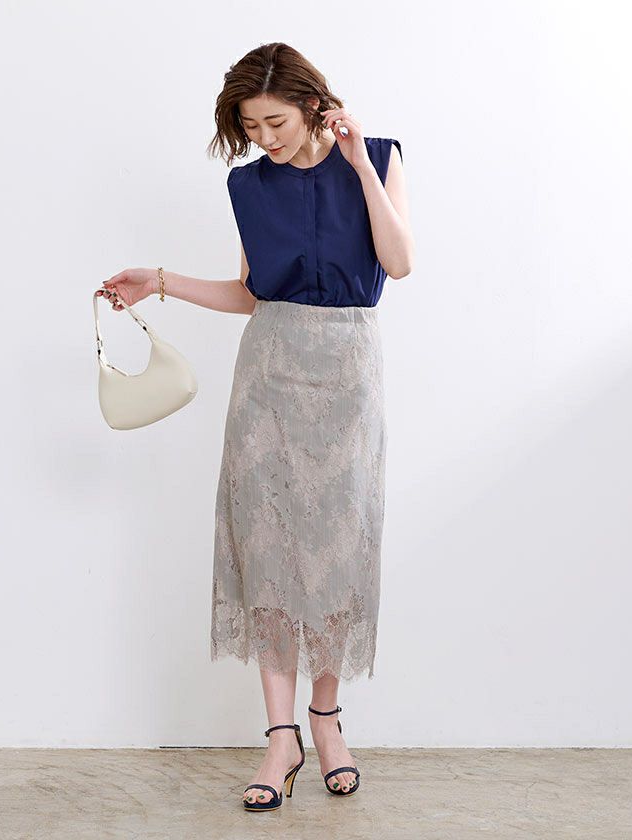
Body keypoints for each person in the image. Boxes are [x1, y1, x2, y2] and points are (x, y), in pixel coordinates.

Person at [96, 41, 413, 812]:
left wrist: (359, 166)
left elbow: (399, 263)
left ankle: (326, 721)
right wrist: (159, 282)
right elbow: (251, 294)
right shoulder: (249, 185)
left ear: (314, 105)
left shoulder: (377, 156)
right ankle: (280, 737)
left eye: (275, 121)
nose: (263, 137)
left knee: (338, 549)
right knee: (267, 549)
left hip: (348, 375)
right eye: (250, 125)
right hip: (268, 375)